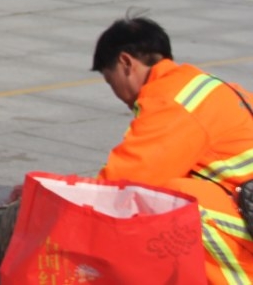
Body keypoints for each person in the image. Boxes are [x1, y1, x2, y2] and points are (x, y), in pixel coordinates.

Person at [93, 16, 253, 283]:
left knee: (173, 201)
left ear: (126, 62)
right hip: (246, 206)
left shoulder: (173, 100)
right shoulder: (202, 86)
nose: (117, 94)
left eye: (111, 82)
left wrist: (54, 203)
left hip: (247, 220)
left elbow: (124, 181)